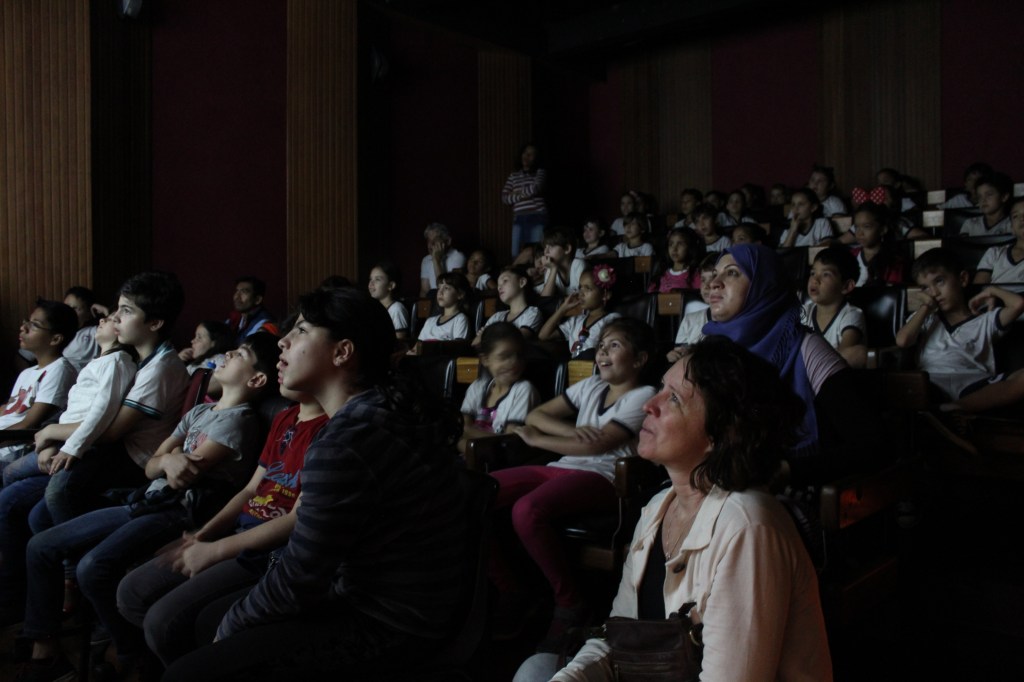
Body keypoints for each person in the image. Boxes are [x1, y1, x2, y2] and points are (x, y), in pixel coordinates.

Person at [161, 287, 466, 681]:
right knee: (206, 623)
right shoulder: (378, 409)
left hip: (391, 620)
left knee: (189, 668)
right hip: (410, 601)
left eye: (302, 330)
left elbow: (301, 578)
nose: (283, 341)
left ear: (342, 352)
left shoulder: (347, 440)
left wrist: (231, 628)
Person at [519, 336, 832, 681]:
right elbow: (619, 635)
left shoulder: (748, 526)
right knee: (537, 670)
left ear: (721, 433)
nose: (648, 406)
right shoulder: (659, 507)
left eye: (674, 399)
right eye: (660, 389)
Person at [15, 332, 280, 680]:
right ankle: (45, 645)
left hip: (175, 510)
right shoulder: (201, 411)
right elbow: (152, 466)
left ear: (256, 379)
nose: (228, 353)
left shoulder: (239, 421)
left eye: (241, 354)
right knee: (41, 545)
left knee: (93, 567)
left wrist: (169, 460)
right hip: (145, 500)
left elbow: (182, 477)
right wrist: (167, 460)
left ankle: (130, 654)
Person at [116, 383, 328, 669]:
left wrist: (216, 550)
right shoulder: (286, 417)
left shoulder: (331, 429)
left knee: (163, 623)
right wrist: (203, 535)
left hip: (270, 551)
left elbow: (297, 519)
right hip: (239, 531)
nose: (282, 356)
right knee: (131, 592)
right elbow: (250, 490)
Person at [489, 318, 657, 652]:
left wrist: (539, 440)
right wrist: (571, 432)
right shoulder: (591, 385)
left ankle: (570, 602)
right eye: (601, 345)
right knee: (480, 492)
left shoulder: (644, 394)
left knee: (527, 510)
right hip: (563, 466)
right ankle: (511, 591)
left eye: (614, 345)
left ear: (639, 359)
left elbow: (600, 444)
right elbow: (536, 415)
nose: (602, 353)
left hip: (604, 477)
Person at [0, 314, 138, 627]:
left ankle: (58, 580)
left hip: (79, 449)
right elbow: (72, 411)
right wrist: (53, 440)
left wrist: (67, 447)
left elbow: (101, 413)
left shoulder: (117, 362)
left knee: (12, 477)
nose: (104, 319)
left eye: (114, 317)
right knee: (13, 486)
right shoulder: (99, 361)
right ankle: (24, 590)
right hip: (63, 441)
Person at [703, 244, 876, 484]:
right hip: (719, 481)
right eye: (714, 274)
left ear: (765, 285)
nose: (714, 283)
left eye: (732, 272)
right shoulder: (710, 350)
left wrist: (783, 471)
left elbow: (870, 445)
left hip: (788, 488)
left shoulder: (807, 349)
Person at [42, 272, 191, 526]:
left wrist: (51, 432)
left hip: (136, 459)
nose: (116, 317)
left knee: (57, 494)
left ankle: (75, 549)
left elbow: (111, 432)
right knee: (36, 509)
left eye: (127, 311)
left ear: (155, 323)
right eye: (118, 308)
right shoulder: (140, 355)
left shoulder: (161, 368)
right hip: (117, 449)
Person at [896, 248, 1024, 415]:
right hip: (931, 382)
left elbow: (1018, 305)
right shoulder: (925, 319)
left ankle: (957, 407)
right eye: (925, 288)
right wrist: (926, 307)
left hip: (974, 384)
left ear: (962, 279)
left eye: (939, 281)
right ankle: (950, 410)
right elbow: (903, 340)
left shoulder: (985, 320)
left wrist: (992, 290)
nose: (934, 293)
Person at [0, 299, 79, 465]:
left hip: (13, 447)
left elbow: (29, 423)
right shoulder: (27, 373)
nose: (23, 328)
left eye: (34, 325)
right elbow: (8, 410)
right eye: (27, 322)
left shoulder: (59, 369)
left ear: (55, 339)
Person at [458, 322, 539, 454]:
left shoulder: (524, 390)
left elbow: (509, 442)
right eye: (505, 356)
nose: (514, 362)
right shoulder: (477, 387)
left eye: (519, 355)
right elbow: (463, 425)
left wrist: (467, 434)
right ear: (485, 360)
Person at [801, 247, 868, 368]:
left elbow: (842, 357)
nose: (815, 280)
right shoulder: (804, 311)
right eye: (813, 273)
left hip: (833, 374)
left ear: (846, 286)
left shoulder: (851, 314)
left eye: (826, 274)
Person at [538, 266, 620, 358]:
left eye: (587, 288)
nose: (581, 293)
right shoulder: (576, 321)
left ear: (605, 295)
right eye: (580, 288)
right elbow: (543, 335)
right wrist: (562, 309)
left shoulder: (612, 320)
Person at [472, 265, 543, 346]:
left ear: (522, 282)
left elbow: (516, 339)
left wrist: (487, 335)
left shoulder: (532, 312)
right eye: (498, 284)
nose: (499, 287)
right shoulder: (497, 316)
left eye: (505, 281)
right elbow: (475, 343)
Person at [665, 254, 718, 361]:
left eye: (713, 278)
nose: (706, 286)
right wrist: (674, 356)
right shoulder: (690, 319)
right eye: (703, 280)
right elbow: (679, 352)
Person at [503, 143, 548, 256]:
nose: (526, 156)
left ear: (536, 158)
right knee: (516, 253)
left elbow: (536, 188)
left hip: (537, 216)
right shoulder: (513, 176)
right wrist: (523, 194)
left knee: (537, 252)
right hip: (519, 217)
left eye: (531, 154)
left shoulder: (540, 172)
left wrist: (516, 193)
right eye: (525, 153)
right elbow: (505, 198)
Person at [410, 271, 471, 351]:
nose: (440, 292)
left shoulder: (460, 319)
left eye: (446, 288)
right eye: (439, 288)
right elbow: (417, 348)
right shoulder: (430, 321)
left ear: (460, 294)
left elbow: (457, 349)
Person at [850, 201, 907, 286]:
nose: (860, 233)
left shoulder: (894, 261)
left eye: (866, 227)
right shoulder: (850, 256)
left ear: (883, 229)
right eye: (856, 227)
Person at [974, 197, 1024, 292]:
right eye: (1015, 216)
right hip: (993, 299)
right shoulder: (994, 253)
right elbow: (978, 289)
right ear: (1012, 228)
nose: (1022, 219)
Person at [648, 227, 705, 293]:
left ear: (690, 247)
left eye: (680, 244)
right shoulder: (661, 273)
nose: (674, 249)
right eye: (671, 244)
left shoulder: (695, 275)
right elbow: (650, 295)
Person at [419, 222, 466, 297]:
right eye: (428, 240)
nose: (430, 245)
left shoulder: (458, 256)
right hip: (433, 299)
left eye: (435, 240)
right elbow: (424, 291)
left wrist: (436, 260)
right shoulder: (426, 260)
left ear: (448, 241)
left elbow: (446, 289)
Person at [367, 260, 410, 341]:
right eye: (370, 279)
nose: (371, 284)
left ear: (391, 285)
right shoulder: (373, 308)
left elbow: (400, 341)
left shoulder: (396, 309)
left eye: (377, 279)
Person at [959, 173, 1013, 237]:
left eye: (989, 195)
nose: (983, 200)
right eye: (980, 196)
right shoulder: (970, 224)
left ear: (1004, 197)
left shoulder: (1012, 224)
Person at [226, 276, 278, 343]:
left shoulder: (266, 323)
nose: (236, 296)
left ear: (257, 300)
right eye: (236, 291)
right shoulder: (236, 318)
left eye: (244, 292)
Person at [538, 226, 586, 297]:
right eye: (545, 247)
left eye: (551, 246)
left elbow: (585, 296)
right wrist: (553, 269)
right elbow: (545, 298)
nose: (546, 251)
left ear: (567, 249)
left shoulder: (578, 265)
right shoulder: (551, 268)